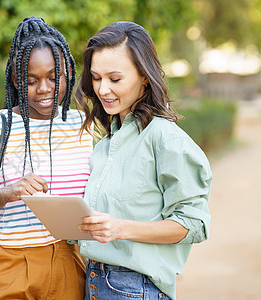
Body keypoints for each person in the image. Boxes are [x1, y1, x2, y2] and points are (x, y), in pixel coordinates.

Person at [0, 17, 93, 299]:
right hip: (10, 266)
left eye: (55, 77)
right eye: (31, 80)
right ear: (16, 80)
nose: (44, 89)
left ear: (68, 74)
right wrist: (4, 194)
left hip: (69, 263)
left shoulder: (84, 125)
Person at [74, 21, 212, 300]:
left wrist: (120, 227)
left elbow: (193, 225)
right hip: (92, 281)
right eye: (96, 78)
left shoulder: (165, 139)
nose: (102, 90)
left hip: (135, 289)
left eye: (115, 79)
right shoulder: (106, 143)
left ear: (145, 77)